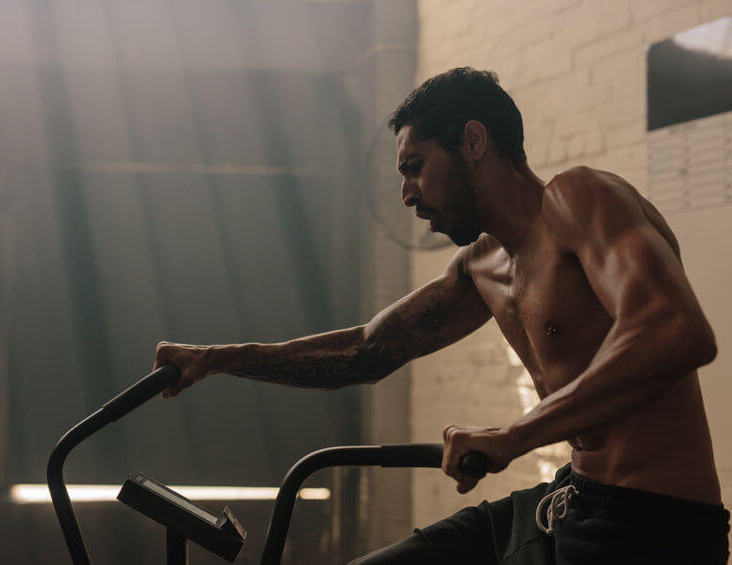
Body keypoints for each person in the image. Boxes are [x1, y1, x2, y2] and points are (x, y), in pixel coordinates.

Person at [153, 67, 730, 564]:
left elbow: (673, 329)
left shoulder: (579, 200)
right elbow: (364, 352)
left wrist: (514, 435)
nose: (406, 192)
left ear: (473, 141)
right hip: (569, 500)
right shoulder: (482, 266)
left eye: (416, 166)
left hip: (653, 527)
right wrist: (218, 359)